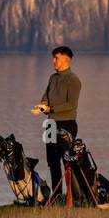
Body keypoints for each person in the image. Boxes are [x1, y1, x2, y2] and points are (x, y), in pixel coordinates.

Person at [32, 45, 81, 195]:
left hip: (67, 125)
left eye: (56, 58)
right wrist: (43, 104)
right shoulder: (52, 78)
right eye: (53, 57)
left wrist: (51, 109)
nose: (53, 60)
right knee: (52, 162)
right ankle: (57, 195)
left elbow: (71, 104)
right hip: (50, 125)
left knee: (67, 163)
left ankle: (72, 197)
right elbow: (45, 95)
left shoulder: (73, 80)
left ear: (66, 59)